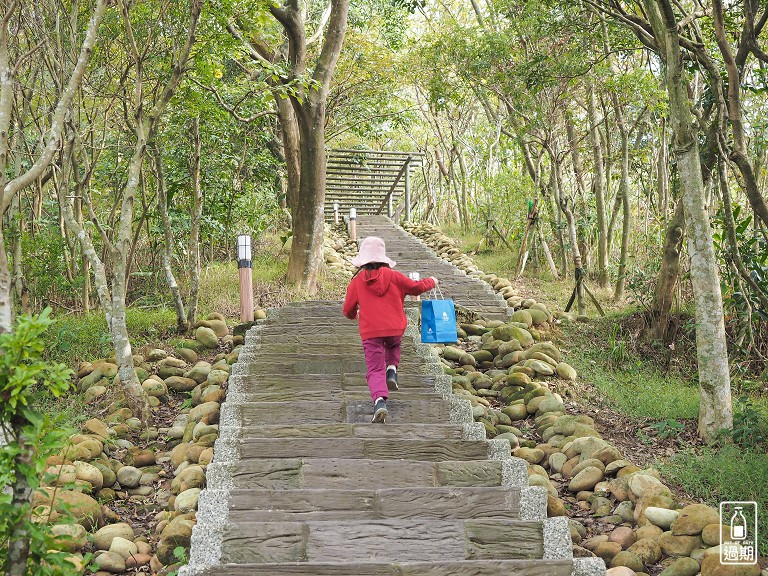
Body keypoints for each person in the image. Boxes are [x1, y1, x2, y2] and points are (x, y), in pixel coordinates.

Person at [343, 236, 438, 423]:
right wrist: (432, 281)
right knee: (393, 345)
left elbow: (347, 309)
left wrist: (354, 314)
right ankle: (392, 369)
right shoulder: (394, 276)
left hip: (371, 332)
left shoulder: (357, 282)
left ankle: (379, 401)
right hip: (395, 328)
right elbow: (416, 288)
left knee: (374, 368)